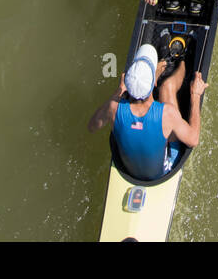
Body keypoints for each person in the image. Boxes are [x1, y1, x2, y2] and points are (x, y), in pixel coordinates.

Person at [87, 43, 207, 182]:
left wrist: (118, 92)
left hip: (129, 170)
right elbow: (193, 140)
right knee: (167, 86)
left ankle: (164, 61)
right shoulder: (167, 114)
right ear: (153, 84)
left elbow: (92, 126)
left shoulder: (113, 108)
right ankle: (182, 60)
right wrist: (196, 95)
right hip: (161, 172)